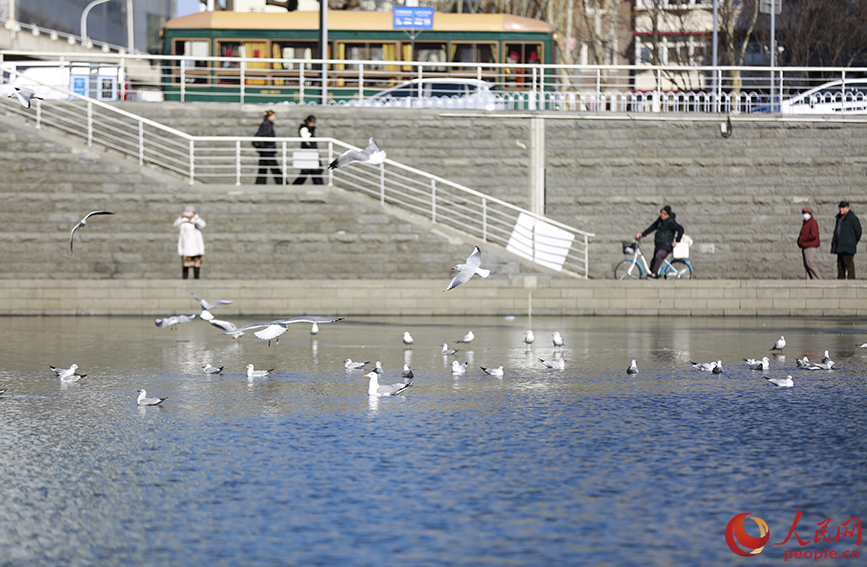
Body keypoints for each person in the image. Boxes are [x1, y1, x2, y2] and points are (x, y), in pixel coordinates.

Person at [637, 205, 684, 279]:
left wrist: (677, 241)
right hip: (659, 245)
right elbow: (652, 227)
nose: (662, 215)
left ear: (668, 215)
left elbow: (681, 229)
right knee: (653, 261)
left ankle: (654, 274)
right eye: (661, 213)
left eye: (664, 214)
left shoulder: (671, 222)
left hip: (667, 245)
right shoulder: (660, 221)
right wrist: (642, 234)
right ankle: (653, 274)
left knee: (659, 256)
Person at [830, 200, 861, 279]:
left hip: (848, 246)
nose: (841, 209)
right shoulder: (839, 218)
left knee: (849, 266)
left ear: (847, 208)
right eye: (840, 208)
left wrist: (852, 242)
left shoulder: (852, 218)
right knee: (840, 266)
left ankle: (852, 283)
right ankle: (841, 283)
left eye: (843, 208)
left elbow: (858, 232)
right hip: (839, 246)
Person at [173, 206, 206, 279]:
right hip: (186, 246)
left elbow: (203, 224)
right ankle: (185, 278)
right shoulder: (183, 221)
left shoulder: (196, 220)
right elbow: (175, 225)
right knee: (186, 265)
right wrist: (181, 217)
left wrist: (194, 218)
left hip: (196, 246)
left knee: (196, 265)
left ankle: (197, 278)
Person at [254, 110, 283, 185]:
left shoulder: (265, 124)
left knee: (263, 169)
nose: (275, 118)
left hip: (265, 150)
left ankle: (259, 184)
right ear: (269, 116)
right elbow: (266, 136)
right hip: (268, 150)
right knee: (275, 168)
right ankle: (282, 182)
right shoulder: (267, 124)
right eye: (274, 116)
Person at [292, 115, 323, 185]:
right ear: (308, 121)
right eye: (312, 122)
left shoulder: (310, 129)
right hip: (309, 154)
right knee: (313, 172)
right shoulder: (304, 129)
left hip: (311, 153)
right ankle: (320, 186)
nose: (313, 124)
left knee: (308, 173)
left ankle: (295, 186)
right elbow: (306, 140)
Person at [797, 206, 822, 280]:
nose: (805, 215)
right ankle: (809, 279)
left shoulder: (812, 222)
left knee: (810, 263)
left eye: (807, 213)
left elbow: (813, 235)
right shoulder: (806, 223)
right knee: (806, 265)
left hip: (810, 246)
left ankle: (819, 279)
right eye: (804, 213)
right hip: (805, 246)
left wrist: (803, 239)